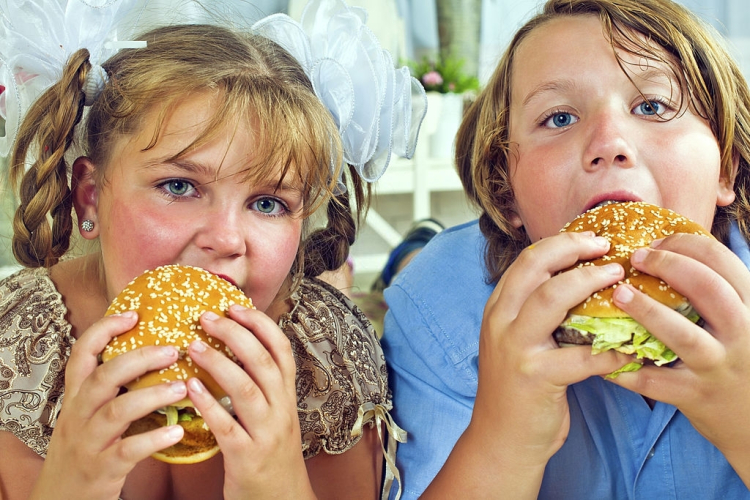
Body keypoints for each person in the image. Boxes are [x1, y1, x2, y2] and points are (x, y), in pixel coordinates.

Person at [0, 0, 425, 498]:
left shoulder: (325, 354)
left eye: (268, 203)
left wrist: (279, 487)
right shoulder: (16, 344)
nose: (225, 239)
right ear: (90, 196)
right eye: (179, 187)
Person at [381, 0, 750, 498]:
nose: (609, 143)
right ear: (506, 191)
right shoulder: (437, 304)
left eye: (652, 106)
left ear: (726, 167)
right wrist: (501, 442)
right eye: (558, 117)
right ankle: (412, 247)